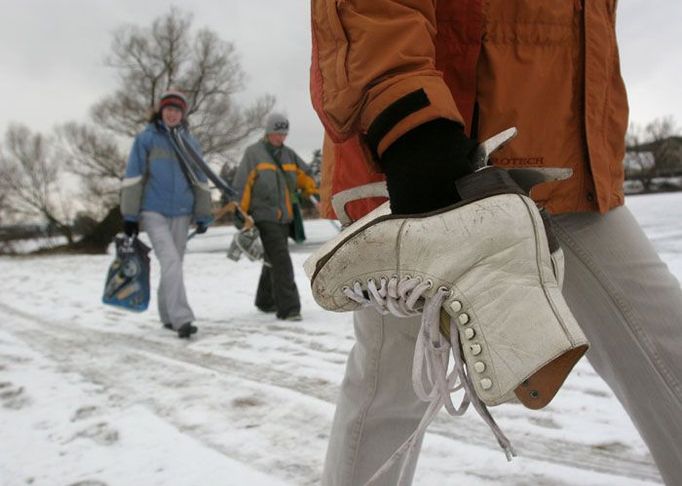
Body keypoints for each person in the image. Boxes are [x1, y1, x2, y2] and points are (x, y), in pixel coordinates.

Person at [309, 2, 682, 485]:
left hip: (570, 158)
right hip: (439, 155)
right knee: (392, 385)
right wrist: (409, 121)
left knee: (665, 344)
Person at [120, 89, 212, 339]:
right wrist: (129, 216)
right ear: (160, 112)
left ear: (183, 114)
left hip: (182, 212)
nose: (172, 114)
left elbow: (201, 180)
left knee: (173, 265)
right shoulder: (146, 139)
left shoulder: (190, 143)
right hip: (153, 211)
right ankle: (182, 318)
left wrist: (203, 214)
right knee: (171, 261)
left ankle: (166, 315)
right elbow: (133, 177)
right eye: (168, 109)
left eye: (177, 110)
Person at [234, 113, 318, 321]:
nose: (280, 138)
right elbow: (243, 185)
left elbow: (303, 177)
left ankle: (265, 300)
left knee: (273, 258)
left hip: (284, 218)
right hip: (263, 216)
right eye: (277, 133)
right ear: (268, 132)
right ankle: (289, 308)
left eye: (284, 134)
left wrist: (313, 191)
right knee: (281, 260)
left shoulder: (288, 154)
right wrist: (241, 214)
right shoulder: (253, 153)